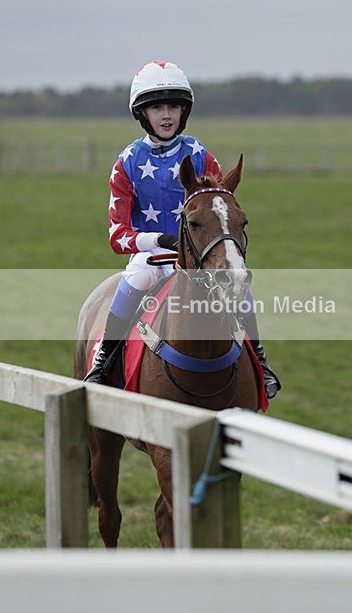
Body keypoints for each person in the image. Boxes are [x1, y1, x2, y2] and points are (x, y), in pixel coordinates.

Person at [85, 60, 281, 398]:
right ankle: (103, 364)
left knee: (241, 290)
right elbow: (117, 236)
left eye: (173, 106)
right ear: (142, 113)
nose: (166, 115)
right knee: (130, 285)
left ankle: (260, 363)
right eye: (157, 107)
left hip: (199, 259)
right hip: (151, 258)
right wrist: (157, 239)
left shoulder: (199, 153)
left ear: (184, 111)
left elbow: (221, 205)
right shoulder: (126, 162)